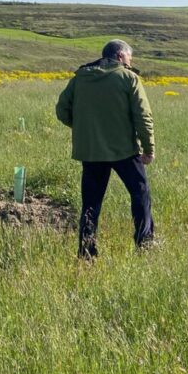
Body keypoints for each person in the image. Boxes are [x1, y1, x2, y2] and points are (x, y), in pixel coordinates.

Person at [56, 39, 156, 258]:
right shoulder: (129, 78)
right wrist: (149, 148)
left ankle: (87, 253)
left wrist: (85, 128)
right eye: (130, 57)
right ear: (120, 56)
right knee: (140, 194)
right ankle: (145, 245)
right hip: (126, 152)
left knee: (91, 204)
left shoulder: (80, 78)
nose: (130, 62)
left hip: (91, 153)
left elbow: (62, 110)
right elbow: (143, 116)